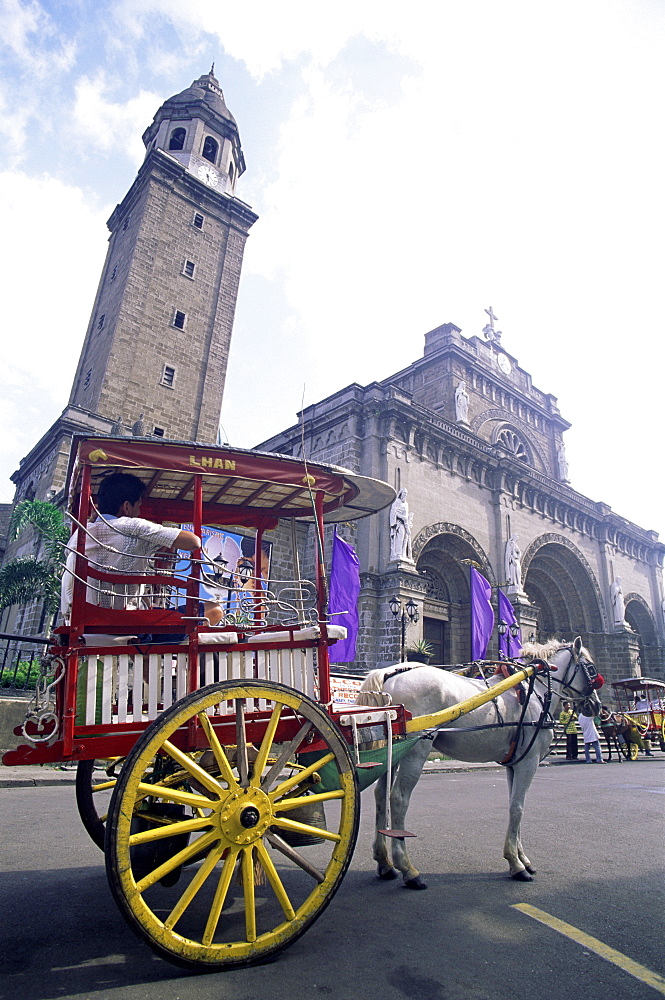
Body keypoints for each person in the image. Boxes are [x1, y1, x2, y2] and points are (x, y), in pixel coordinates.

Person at [61, 472, 200, 620]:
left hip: (79, 618)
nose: (139, 512)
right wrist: (159, 530)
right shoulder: (134, 526)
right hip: (125, 620)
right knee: (214, 610)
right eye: (139, 505)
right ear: (126, 507)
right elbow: (194, 542)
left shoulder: (81, 532)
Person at [389, 488, 411, 561]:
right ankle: (398, 553)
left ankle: (403, 553)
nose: (405, 495)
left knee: (404, 538)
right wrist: (401, 517)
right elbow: (394, 512)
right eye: (404, 494)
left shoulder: (406, 504)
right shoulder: (396, 502)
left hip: (404, 524)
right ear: (401, 494)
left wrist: (407, 524)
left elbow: (406, 514)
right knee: (399, 537)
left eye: (406, 494)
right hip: (398, 523)